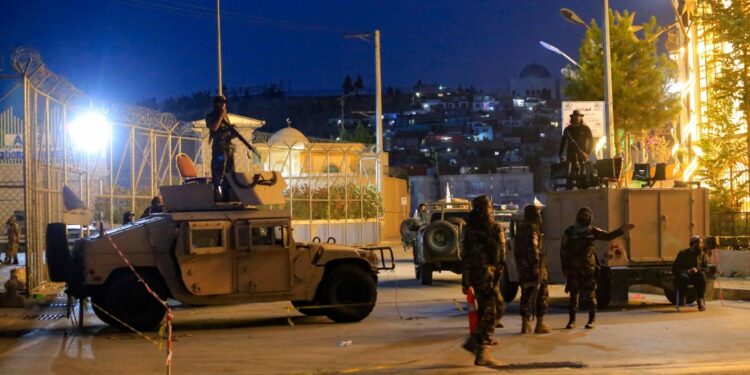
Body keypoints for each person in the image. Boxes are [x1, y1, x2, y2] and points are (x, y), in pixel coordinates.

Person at [561, 207, 634, 329]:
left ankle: (591, 319)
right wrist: (565, 268)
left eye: (586, 215)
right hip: (574, 269)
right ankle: (571, 320)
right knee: (573, 296)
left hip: (588, 268)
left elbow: (608, 236)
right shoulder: (569, 232)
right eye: (582, 214)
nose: (584, 217)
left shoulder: (592, 231)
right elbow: (563, 251)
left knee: (590, 296)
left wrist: (622, 229)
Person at [461, 195, 503, 367]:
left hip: (475, 274)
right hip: (487, 274)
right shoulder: (493, 228)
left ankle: (476, 341)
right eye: (490, 207)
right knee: (492, 311)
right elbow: (500, 253)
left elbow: (464, 255)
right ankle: (482, 350)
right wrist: (498, 272)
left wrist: (465, 280)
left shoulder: (469, 229)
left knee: (488, 309)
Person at [514, 204, 550, 334]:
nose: (541, 217)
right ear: (534, 215)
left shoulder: (520, 230)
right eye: (539, 214)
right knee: (542, 295)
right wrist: (537, 268)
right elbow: (534, 250)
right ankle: (540, 324)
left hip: (523, 269)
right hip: (533, 268)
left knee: (526, 295)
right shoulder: (533, 230)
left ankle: (525, 324)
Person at [206, 95, 236, 201]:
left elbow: (226, 130)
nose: (224, 105)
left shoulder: (225, 116)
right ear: (216, 104)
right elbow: (214, 128)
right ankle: (216, 196)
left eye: (224, 103)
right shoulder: (211, 116)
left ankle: (228, 196)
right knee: (218, 173)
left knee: (230, 174)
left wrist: (232, 132)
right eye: (221, 103)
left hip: (229, 147)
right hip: (219, 147)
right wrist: (220, 116)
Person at [559, 110, 593, 190]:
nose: (577, 118)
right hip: (570, 155)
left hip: (582, 155)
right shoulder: (568, 129)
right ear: (572, 117)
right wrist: (560, 155)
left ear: (581, 117)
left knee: (583, 177)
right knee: (569, 178)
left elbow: (592, 142)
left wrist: (587, 153)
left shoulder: (586, 128)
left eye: (579, 116)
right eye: (575, 116)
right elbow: (562, 143)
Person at [673, 236, 708, 311]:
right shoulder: (683, 253)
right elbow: (675, 269)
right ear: (694, 244)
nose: (702, 245)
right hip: (685, 276)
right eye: (700, 243)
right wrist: (687, 271)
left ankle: (700, 300)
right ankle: (682, 298)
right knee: (682, 277)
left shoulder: (702, 254)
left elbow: (705, 268)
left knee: (701, 276)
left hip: (696, 276)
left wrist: (697, 269)